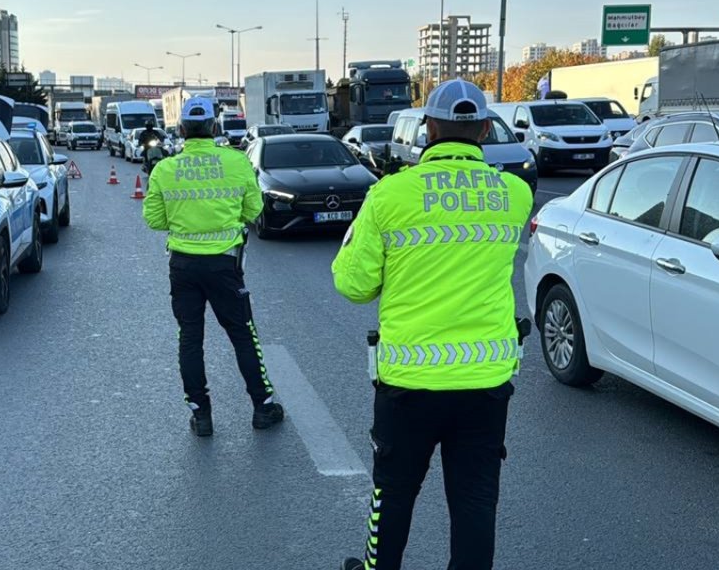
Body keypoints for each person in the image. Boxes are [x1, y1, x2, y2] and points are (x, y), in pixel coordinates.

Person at [332, 79, 534, 570]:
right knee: (474, 504)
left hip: (409, 384)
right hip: (485, 383)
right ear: (485, 129)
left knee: (393, 498)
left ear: (428, 129)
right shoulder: (515, 193)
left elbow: (354, 285)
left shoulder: (390, 194)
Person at [143, 96, 285, 437]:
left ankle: (201, 415)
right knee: (242, 334)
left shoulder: (165, 168)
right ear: (214, 126)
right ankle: (262, 407)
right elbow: (253, 211)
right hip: (224, 265)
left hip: (183, 266)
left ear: (181, 129)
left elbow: (153, 218)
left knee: (190, 338)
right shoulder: (236, 162)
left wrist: (186, 224)